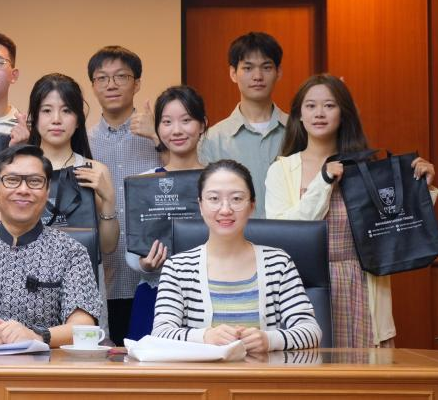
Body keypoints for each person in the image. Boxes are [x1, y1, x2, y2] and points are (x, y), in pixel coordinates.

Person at [264, 74, 438, 348]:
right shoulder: (281, 170)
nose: (319, 113)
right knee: (306, 365)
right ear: (298, 115)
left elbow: (396, 230)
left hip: (360, 283)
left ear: (343, 114)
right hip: (302, 286)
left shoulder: (366, 167)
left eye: (329, 105)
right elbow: (283, 237)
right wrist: (323, 182)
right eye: (310, 106)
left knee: (365, 370)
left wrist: (421, 189)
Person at [0, 144, 103, 347]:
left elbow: (83, 325)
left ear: (47, 190)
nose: (23, 190)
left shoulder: (71, 252)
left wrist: (37, 336)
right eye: (12, 180)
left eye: (35, 181)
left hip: (47, 362)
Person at [152, 160, 321, 351]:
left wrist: (269, 340)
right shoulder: (177, 268)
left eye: (237, 199)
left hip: (263, 370)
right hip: (201, 371)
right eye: (214, 198)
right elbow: (160, 333)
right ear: (200, 205)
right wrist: (204, 337)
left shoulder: (278, 263)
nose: (225, 209)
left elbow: (311, 331)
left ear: (252, 205)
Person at [86, 45, 160, 345]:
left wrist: (158, 137)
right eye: (102, 78)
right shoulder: (84, 142)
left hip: (152, 277)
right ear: (93, 86)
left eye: (121, 76)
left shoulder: (157, 137)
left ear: (137, 83)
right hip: (104, 277)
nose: (111, 84)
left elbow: (188, 176)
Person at [125, 85, 208, 340]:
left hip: (209, 294)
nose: (177, 130)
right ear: (158, 129)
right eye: (167, 122)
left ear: (203, 125)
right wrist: (145, 264)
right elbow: (133, 250)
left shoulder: (218, 180)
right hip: (155, 292)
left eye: (186, 120)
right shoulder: (145, 182)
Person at [26, 73, 119, 254]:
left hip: (85, 270)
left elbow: (107, 248)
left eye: (66, 110)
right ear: (35, 118)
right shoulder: (18, 170)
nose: (56, 119)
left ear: (78, 120)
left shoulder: (96, 170)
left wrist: (108, 200)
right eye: (47, 110)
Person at [200, 32, 286, 218]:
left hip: (291, 235)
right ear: (233, 73)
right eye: (248, 68)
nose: (257, 76)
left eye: (266, 67)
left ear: (278, 72)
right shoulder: (212, 139)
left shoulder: (299, 131)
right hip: (235, 235)